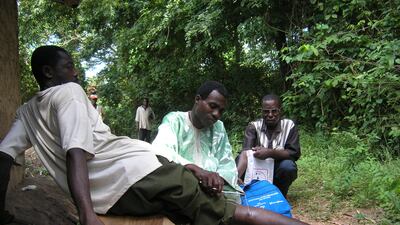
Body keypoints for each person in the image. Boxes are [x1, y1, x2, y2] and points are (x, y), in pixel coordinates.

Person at [0, 46, 308, 225]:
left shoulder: (25, 113)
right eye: (69, 67)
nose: (76, 74)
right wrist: (86, 215)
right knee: (236, 215)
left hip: (134, 182)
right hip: (135, 173)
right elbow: (76, 151)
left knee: (205, 211)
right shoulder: (68, 91)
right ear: (48, 72)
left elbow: (3, 156)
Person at [152, 81, 242, 201]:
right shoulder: (174, 120)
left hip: (212, 192)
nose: (216, 114)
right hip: (181, 187)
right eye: (212, 106)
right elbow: (161, 150)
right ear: (197, 99)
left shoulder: (218, 127)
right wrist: (196, 170)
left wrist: (217, 180)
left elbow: (227, 163)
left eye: (221, 111)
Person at [236, 94, 301, 197]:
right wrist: (236, 176)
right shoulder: (253, 126)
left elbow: (294, 153)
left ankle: (280, 194)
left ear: (280, 110)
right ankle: (247, 190)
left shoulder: (289, 126)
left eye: (274, 111)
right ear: (262, 112)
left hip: (277, 171)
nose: (270, 115)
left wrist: (269, 153)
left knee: (288, 166)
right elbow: (246, 153)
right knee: (239, 159)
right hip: (257, 172)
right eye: (266, 111)